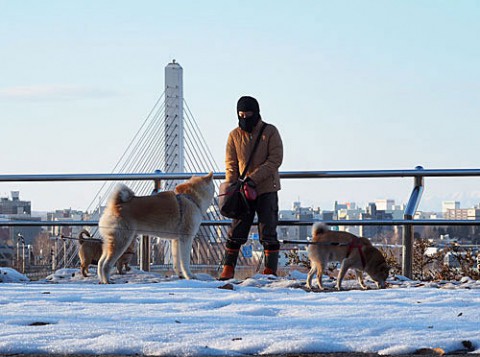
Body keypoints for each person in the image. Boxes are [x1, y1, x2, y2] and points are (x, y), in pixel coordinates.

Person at [219, 96, 283, 280]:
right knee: (237, 229)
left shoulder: (270, 132)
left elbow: (275, 160)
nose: (245, 118)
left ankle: (270, 271)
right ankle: (228, 269)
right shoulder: (234, 135)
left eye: (248, 114)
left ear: (256, 113)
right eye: (241, 115)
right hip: (241, 191)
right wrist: (232, 186)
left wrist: (253, 179)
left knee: (268, 229)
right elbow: (230, 164)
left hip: (266, 188)